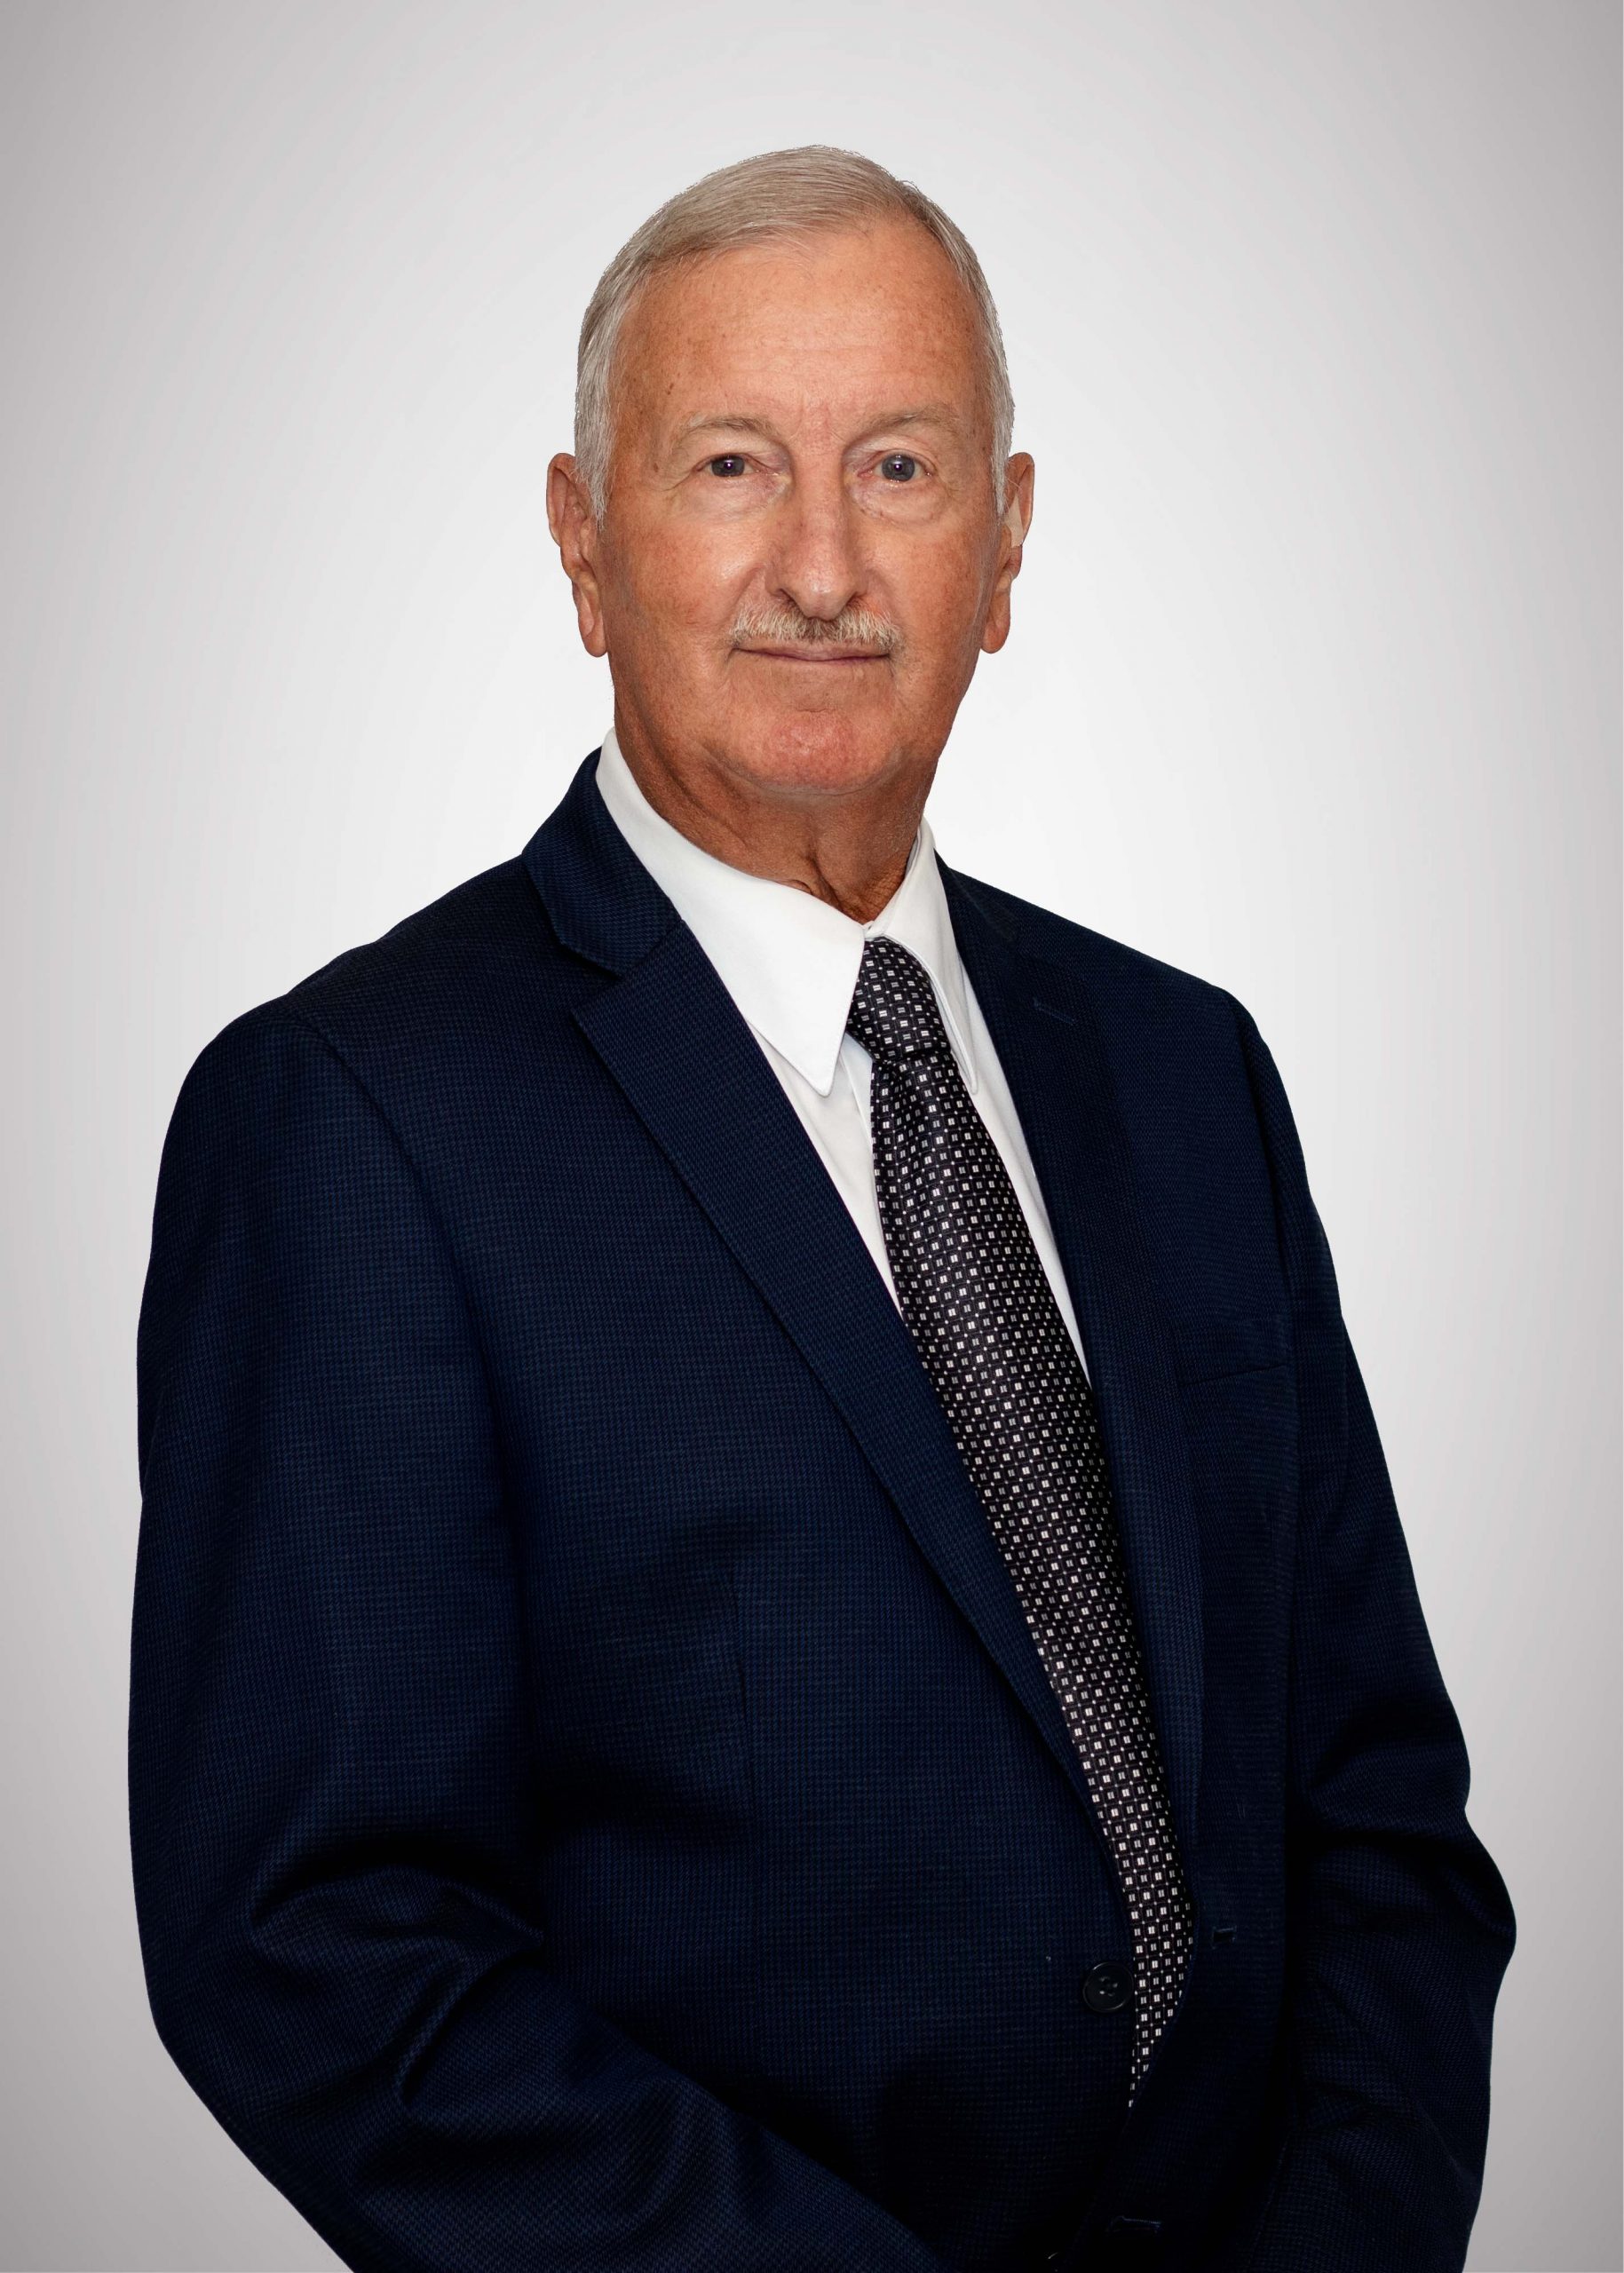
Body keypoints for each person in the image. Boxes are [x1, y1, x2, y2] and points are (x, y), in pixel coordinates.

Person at [129, 145, 1516, 2273]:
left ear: (1008, 538)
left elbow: (1378, 1815)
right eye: (728, 466)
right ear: (584, 542)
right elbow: (321, 1939)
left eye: (898, 465)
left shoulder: (1187, 1073)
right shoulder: (354, 1119)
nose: (822, 563)